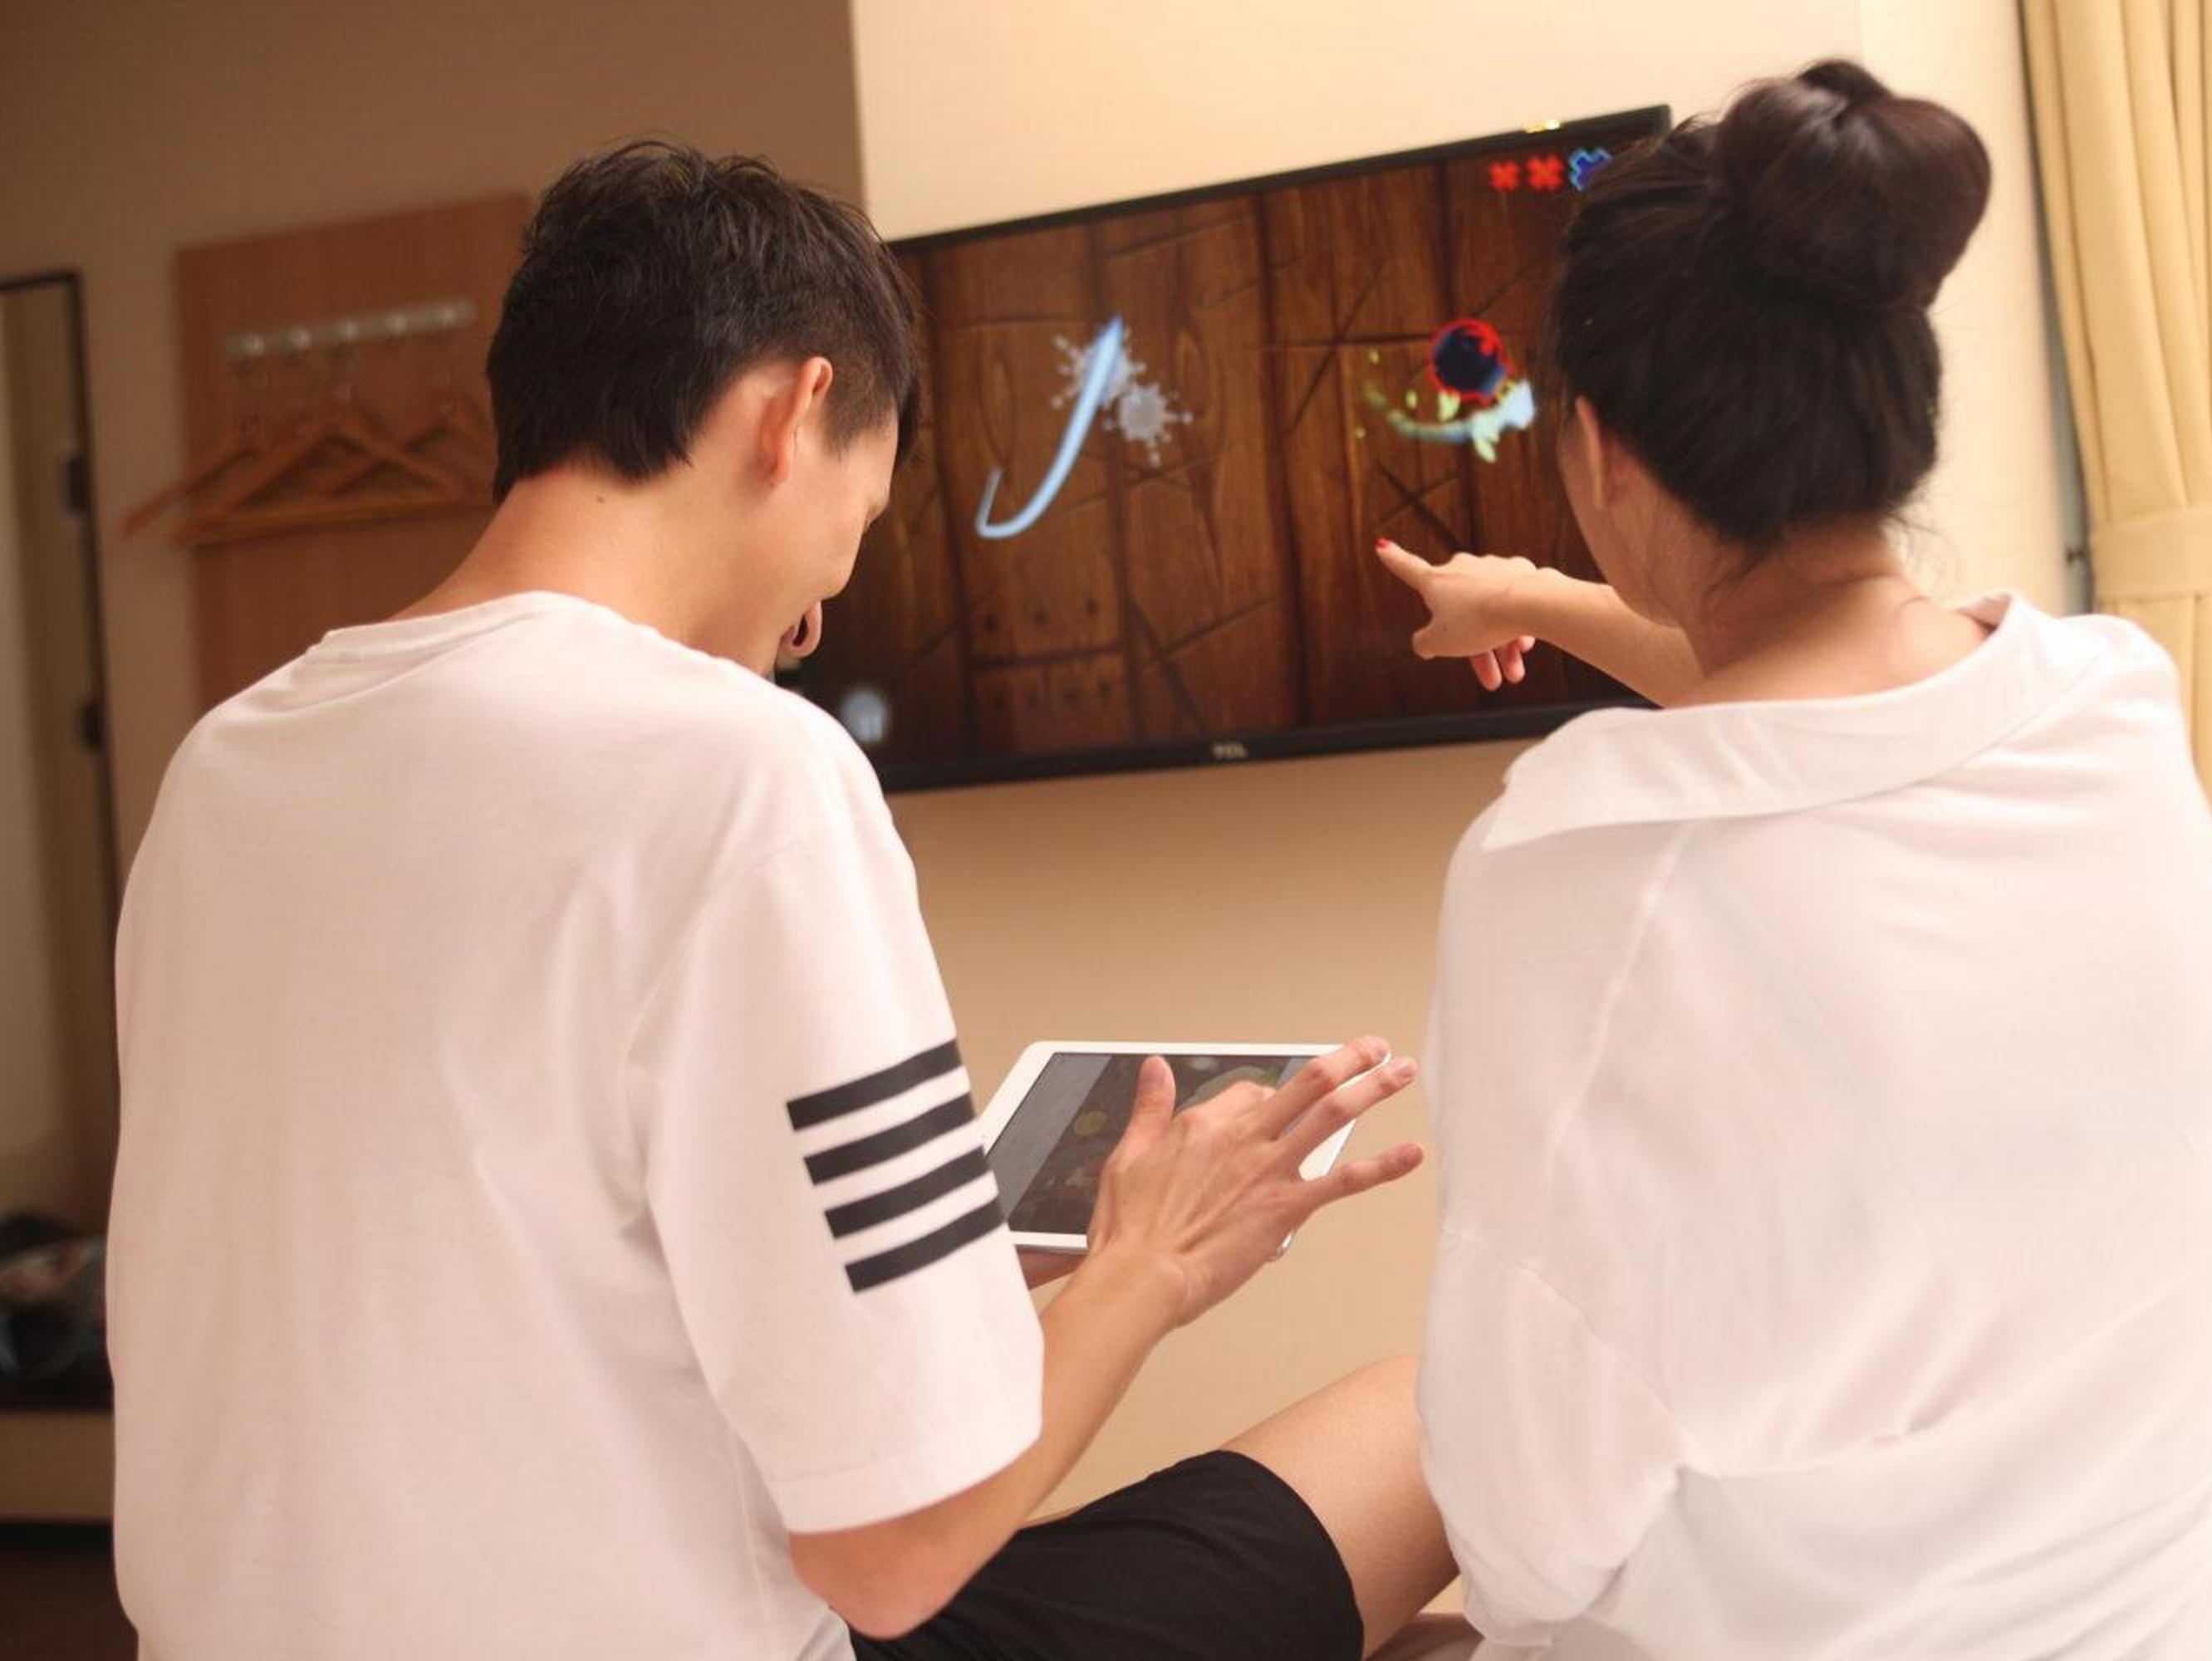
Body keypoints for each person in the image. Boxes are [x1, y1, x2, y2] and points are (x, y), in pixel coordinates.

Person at [109, 140, 1459, 1661]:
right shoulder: (743, 766)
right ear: (795, 410)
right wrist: (1159, 1262)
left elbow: (489, 1266)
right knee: (1437, 1415)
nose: (816, 614)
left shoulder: (230, 765)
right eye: (857, 522)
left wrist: (947, 1271)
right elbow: (894, 1558)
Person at [1378, 61, 2212, 1659]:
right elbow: (1825, 709)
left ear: (1597, 449)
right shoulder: (2110, 706)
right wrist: (1536, 599)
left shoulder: (1569, 863)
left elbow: (1525, 1513)